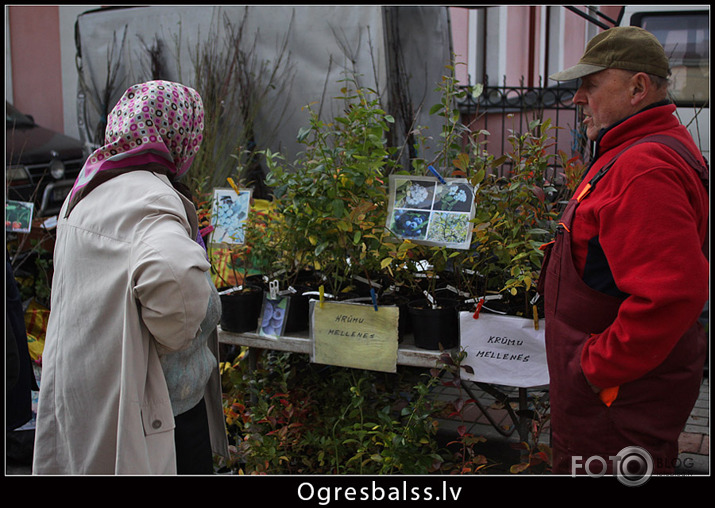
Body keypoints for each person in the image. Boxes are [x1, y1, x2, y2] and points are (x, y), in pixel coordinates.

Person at [33, 80, 228, 475]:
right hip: (161, 416)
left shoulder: (90, 187)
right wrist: (178, 332)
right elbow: (176, 284)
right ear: (179, 134)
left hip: (98, 395)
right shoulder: (151, 199)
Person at [543, 27, 708, 476]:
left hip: (617, 407)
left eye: (591, 84)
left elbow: (671, 295)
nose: (579, 97)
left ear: (638, 88)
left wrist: (594, 370)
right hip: (616, 401)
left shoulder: (643, 166)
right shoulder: (633, 149)